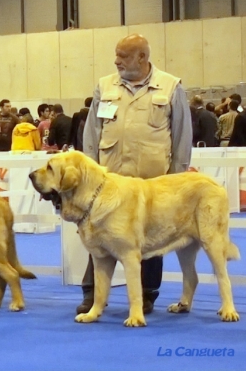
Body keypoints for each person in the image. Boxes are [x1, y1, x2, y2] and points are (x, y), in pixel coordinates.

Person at [80, 34, 192, 315]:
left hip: (153, 185)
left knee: (150, 240)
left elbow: (181, 138)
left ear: (142, 57)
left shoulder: (171, 85)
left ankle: (147, 294)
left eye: (124, 56)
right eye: (116, 55)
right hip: (108, 185)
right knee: (98, 240)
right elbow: (92, 133)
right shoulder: (105, 86)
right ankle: (93, 295)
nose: (116, 61)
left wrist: (176, 182)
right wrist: (88, 175)